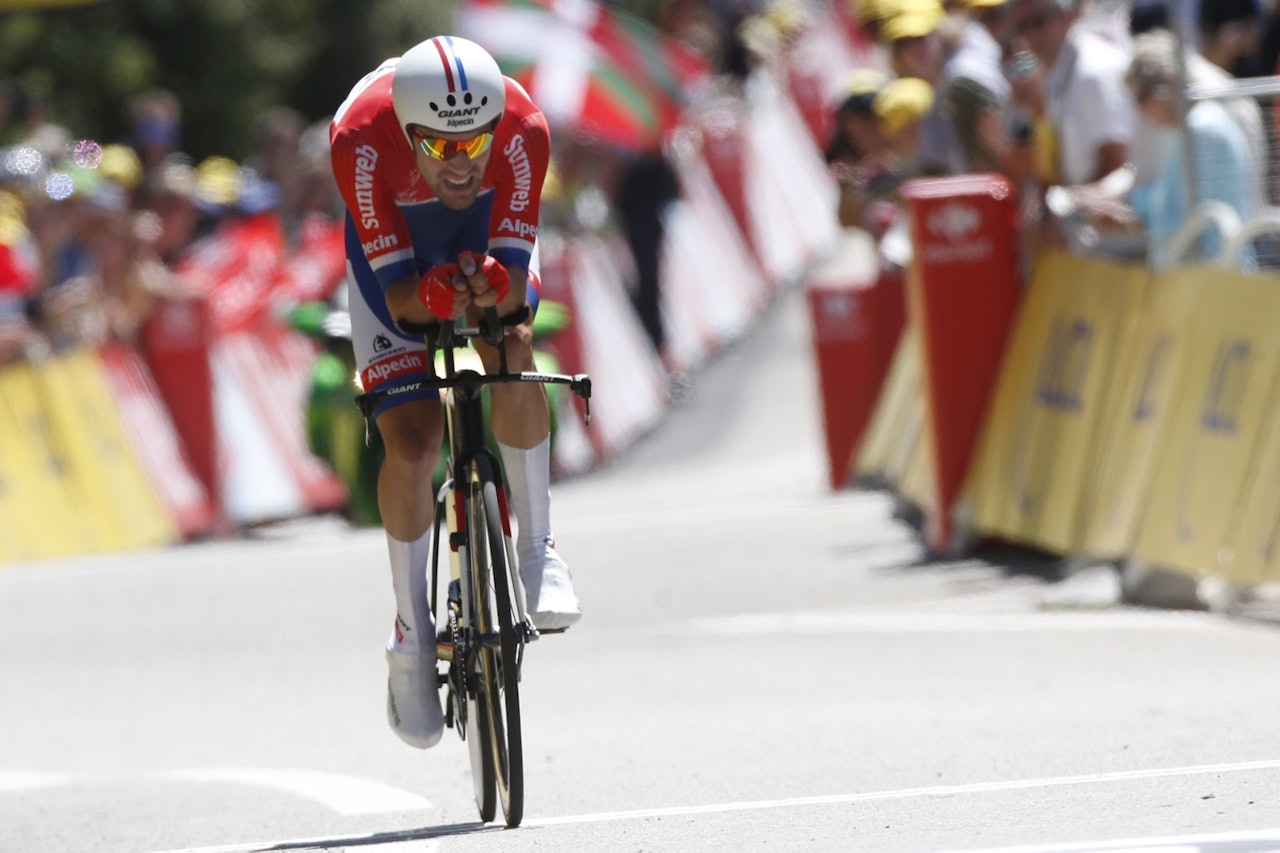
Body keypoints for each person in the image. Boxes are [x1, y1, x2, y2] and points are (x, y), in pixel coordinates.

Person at [329, 35, 582, 750]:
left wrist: (491, 291)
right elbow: (405, 299)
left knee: (512, 340)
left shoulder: (525, 131)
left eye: (476, 141)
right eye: (441, 149)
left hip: (478, 232)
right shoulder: (361, 139)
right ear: (410, 133)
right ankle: (411, 635)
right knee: (413, 437)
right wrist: (433, 294)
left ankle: (538, 550)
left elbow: (511, 272)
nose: (464, 162)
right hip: (397, 243)